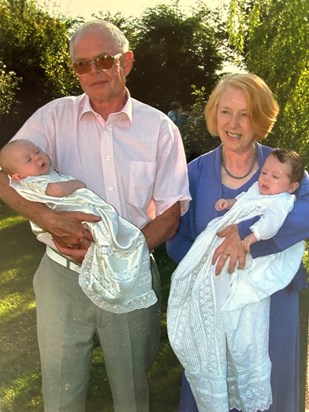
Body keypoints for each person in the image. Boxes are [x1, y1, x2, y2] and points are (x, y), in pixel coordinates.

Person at [0, 20, 191, 412]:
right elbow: (5, 175)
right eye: (82, 65)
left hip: (130, 274)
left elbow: (171, 212)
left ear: (128, 62)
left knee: (131, 390)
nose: (93, 71)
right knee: (60, 390)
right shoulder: (53, 116)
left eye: (104, 60)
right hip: (61, 276)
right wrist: (47, 218)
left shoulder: (160, 128)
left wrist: (120, 254)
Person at [166, 73, 309, 412]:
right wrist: (212, 266)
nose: (234, 123)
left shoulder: (284, 167)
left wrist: (246, 239)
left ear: (260, 118)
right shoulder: (195, 173)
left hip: (274, 304)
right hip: (213, 306)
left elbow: (306, 211)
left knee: (270, 394)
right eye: (225, 111)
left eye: (245, 114)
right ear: (214, 115)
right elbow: (178, 237)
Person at [0, 139, 158, 314]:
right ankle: (115, 265)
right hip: (74, 218)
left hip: (72, 220)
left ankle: (112, 268)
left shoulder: (40, 176)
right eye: (28, 160)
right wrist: (77, 184)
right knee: (108, 231)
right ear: (17, 177)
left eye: (37, 152)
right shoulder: (33, 182)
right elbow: (56, 192)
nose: (37, 158)